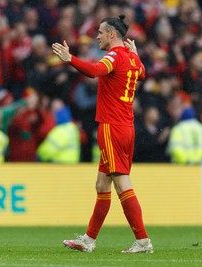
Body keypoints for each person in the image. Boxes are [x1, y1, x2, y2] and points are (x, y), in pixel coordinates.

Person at [52, 15, 153, 253]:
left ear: (112, 35)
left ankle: (142, 240)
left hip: (111, 127)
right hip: (126, 127)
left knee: (122, 183)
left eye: (100, 32)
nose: (96, 36)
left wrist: (70, 59)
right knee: (101, 185)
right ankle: (89, 239)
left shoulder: (115, 56)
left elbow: (95, 71)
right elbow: (142, 74)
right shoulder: (130, 56)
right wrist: (136, 53)